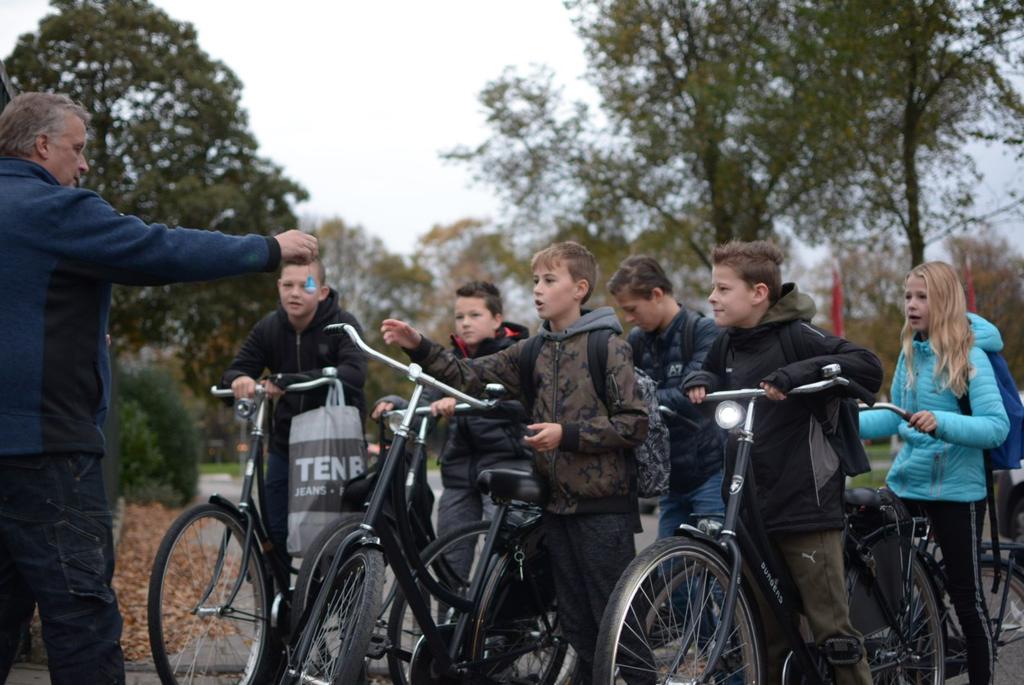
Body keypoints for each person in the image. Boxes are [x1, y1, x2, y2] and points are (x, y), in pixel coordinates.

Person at [0, 91, 318, 684]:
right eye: (77, 149)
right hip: (44, 450)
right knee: (80, 616)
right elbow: (158, 248)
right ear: (41, 145)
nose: (84, 164)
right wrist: (268, 248)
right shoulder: (51, 209)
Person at [381, 241, 648, 682]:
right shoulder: (533, 350)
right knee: (577, 626)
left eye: (549, 281)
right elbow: (468, 375)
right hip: (555, 507)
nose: (538, 291)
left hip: (603, 508)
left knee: (616, 624)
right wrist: (419, 346)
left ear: (580, 289)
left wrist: (568, 435)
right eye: (534, 282)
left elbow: (633, 424)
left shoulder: (609, 346)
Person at [684, 240, 881, 685]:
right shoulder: (727, 343)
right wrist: (699, 379)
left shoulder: (797, 335)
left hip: (805, 506)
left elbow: (866, 365)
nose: (711, 298)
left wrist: (795, 375)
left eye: (722, 288)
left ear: (758, 294)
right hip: (751, 510)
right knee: (767, 635)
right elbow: (709, 372)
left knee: (834, 633)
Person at [860, 261, 1009, 685]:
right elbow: (895, 418)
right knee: (885, 572)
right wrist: (841, 423)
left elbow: (996, 428)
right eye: (907, 296)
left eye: (921, 297)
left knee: (966, 596)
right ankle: (923, 651)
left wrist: (941, 422)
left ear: (943, 301)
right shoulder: (912, 352)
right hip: (909, 481)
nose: (911, 305)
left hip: (956, 491)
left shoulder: (970, 354)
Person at [220, 259, 367, 556]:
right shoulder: (268, 328)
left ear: (323, 291)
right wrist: (240, 380)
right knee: (276, 530)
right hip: (285, 445)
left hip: (332, 447)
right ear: (279, 288)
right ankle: (279, 598)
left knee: (329, 535)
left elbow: (354, 374)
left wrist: (287, 381)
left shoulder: (343, 325)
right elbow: (234, 372)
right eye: (288, 285)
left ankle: (326, 597)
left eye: (306, 285)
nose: (295, 292)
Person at [608, 255, 724, 538]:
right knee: (670, 571)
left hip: (710, 472)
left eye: (632, 309)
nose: (629, 318)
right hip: (669, 478)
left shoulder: (703, 331)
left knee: (713, 569)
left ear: (657, 294)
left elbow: (693, 399)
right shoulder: (636, 339)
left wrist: (640, 401)